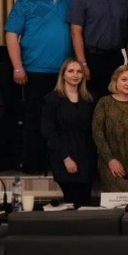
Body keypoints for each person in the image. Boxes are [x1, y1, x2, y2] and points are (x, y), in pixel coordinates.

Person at [5, 0, 73, 173]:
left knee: (64, 121)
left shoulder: (69, 2)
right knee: (36, 120)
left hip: (66, 74)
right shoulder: (24, 3)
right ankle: (34, 165)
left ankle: (61, 164)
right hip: (35, 72)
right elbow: (11, 35)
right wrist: (17, 67)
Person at [68, 0, 128, 99]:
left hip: (116, 58)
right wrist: (82, 63)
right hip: (92, 59)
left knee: (117, 99)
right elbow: (75, 33)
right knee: (93, 101)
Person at [40, 59, 95, 206]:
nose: (75, 75)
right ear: (63, 75)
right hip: (64, 156)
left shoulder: (88, 99)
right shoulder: (52, 100)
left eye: (79, 72)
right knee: (72, 203)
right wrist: (66, 158)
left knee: (86, 203)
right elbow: (49, 132)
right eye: (71, 71)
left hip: (86, 157)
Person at [92, 65, 128, 192]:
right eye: (124, 79)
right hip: (112, 161)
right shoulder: (104, 103)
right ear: (115, 80)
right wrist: (110, 159)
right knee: (119, 198)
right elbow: (97, 133)